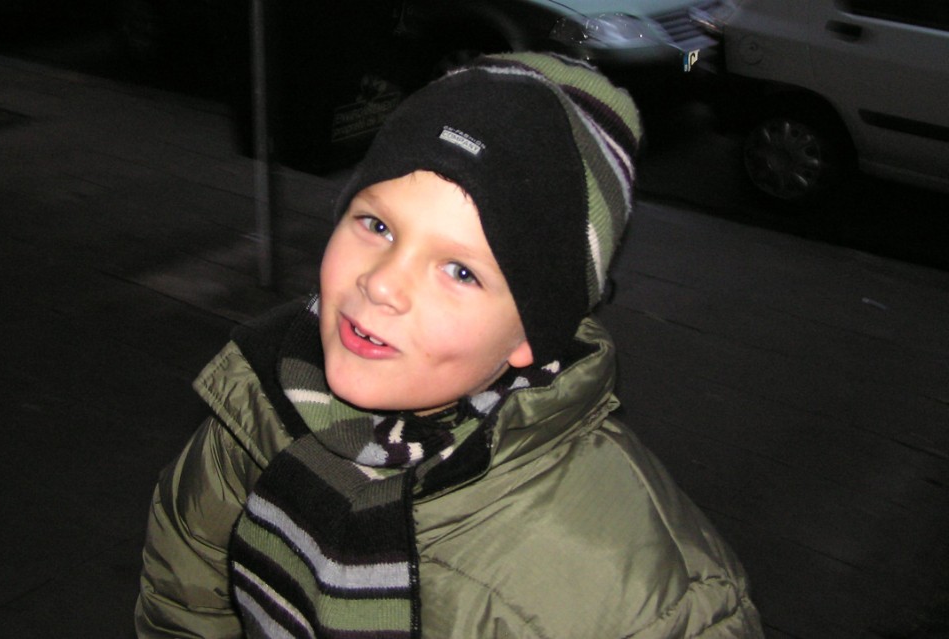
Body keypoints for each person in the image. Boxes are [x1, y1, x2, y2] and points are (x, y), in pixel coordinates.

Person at [135, 52, 764, 638]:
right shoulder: (261, 398)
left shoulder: (632, 591)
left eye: (461, 271)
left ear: (532, 335)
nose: (382, 284)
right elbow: (185, 586)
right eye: (377, 225)